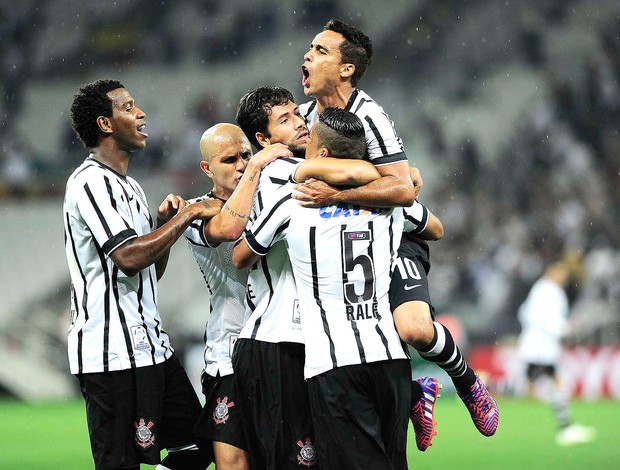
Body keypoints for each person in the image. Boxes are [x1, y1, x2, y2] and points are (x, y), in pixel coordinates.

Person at [296, 18, 499, 449]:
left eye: (321, 50)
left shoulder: (369, 115)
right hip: (338, 239)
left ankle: (466, 382)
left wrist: (335, 193)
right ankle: (412, 393)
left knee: (411, 328)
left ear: (346, 69)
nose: (308, 56)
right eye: (310, 48)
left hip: (391, 233)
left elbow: (404, 188)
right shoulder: (302, 118)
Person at [233, 107, 412, 469]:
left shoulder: (293, 201)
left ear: (322, 155)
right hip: (391, 359)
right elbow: (433, 224)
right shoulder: (392, 203)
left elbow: (241, 255)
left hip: (334, 364)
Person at [63, 79, 218, 470]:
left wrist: (164, 224)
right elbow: (128, 258)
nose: (141, 113)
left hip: (152, 347)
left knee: (200, 445)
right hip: (109, 354)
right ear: (105, 124)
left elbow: (148, 270)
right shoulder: (89, 183)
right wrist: (186, 216)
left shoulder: (131, 188)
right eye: (129, 107)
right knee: (119, 463)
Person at [182, 123, 292, 469]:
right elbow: (228, 229)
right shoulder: (193, 211)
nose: (243, 164)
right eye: (230, 159)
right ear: (207, 168)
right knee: (233, 464)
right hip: (228, 354)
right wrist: (260, 165)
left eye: (247, 155)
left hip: (279, 348)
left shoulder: (273, 198)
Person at [518, 260, 597, 446]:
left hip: (539, 348)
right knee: (553, 385)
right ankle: (566, 428)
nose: (565, 277)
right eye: (561, 272)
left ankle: (565, 427)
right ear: (551, 271)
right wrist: (564, 328)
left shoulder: (541, 288)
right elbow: (542, 317)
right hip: (540, 349)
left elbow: (525, 313)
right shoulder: (548, 290)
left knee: (536, 386)